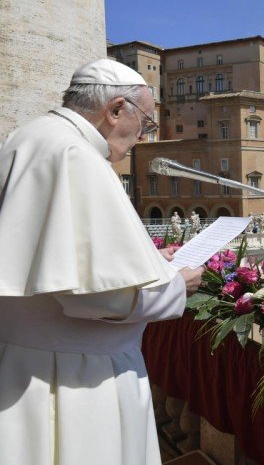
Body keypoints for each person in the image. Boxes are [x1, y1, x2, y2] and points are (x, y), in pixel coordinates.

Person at [0, 59, 204, 464]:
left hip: (20, 360)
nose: (143, 137)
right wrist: (175, 285)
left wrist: (149, 260)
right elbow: (95, 297)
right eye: (145, 123)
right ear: (115, 110)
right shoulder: (77, 155)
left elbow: (61, 256)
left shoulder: (26, 137)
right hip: (74, 379)